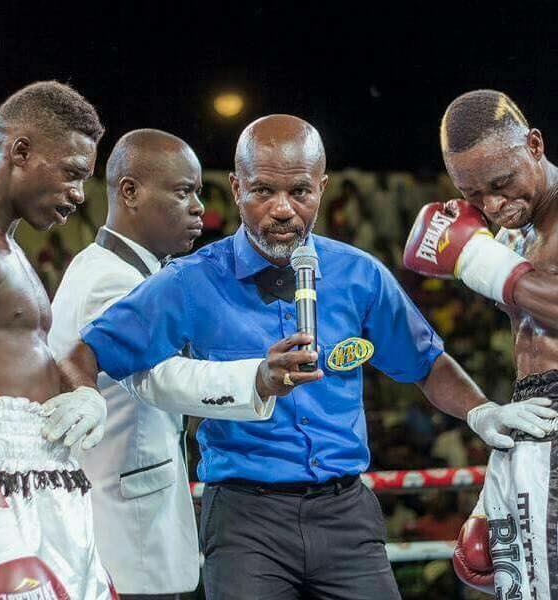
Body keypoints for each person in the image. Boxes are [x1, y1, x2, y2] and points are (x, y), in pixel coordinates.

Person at [61, 114, 553, 600]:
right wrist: (85, 398)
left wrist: (481, 411)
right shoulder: (190, 281)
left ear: (322, 187)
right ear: (236, 188)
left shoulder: (359, 275)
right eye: (263, 191)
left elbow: (425, 362)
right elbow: (85, 352)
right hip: (245, 522)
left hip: (346, 513)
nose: (282, 209)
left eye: (299, 191)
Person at [50, 129, 283, 599]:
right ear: (130, 192)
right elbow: (154, 378)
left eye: (197, 192)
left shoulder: (119, 268)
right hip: (125, 531)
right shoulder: (111, 280)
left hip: (131, 516)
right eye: (183, 192)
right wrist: (257, 377)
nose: (199, 207)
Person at [0, 81, 117, 599]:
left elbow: (30, 356)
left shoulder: (7, 249)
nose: (79, 194)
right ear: (20, 151)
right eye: (72, 173)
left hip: (42, 485)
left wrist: (84, 392)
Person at [404, 89, 558, 599]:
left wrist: (476, 260)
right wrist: (501, 474)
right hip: (531, 423)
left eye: (501, 183)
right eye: (473, 194)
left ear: (534, 145)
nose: (492, 205)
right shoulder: (514, 233)